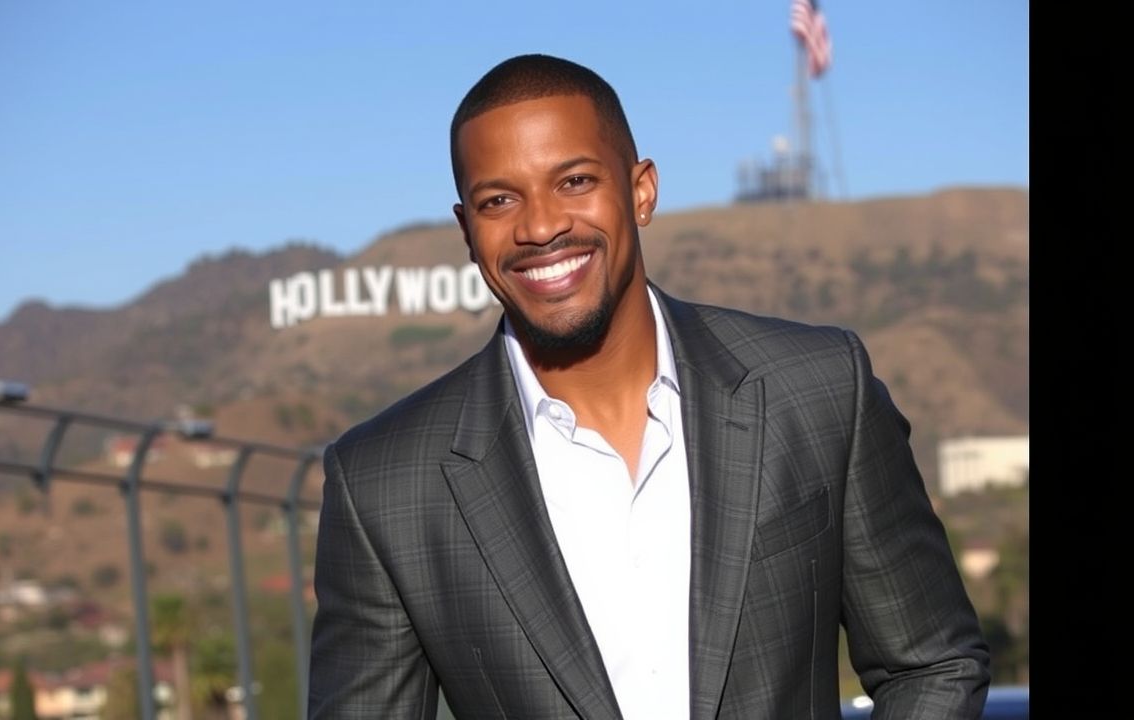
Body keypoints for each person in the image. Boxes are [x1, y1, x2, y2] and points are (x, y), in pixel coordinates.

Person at [308, 53, 990, 720]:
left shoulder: (814, 389)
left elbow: (931, 663)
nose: (541, 226)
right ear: (467, 229)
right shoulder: (385, 483)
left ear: (641, 191)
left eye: (574, 182)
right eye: (499, 200)